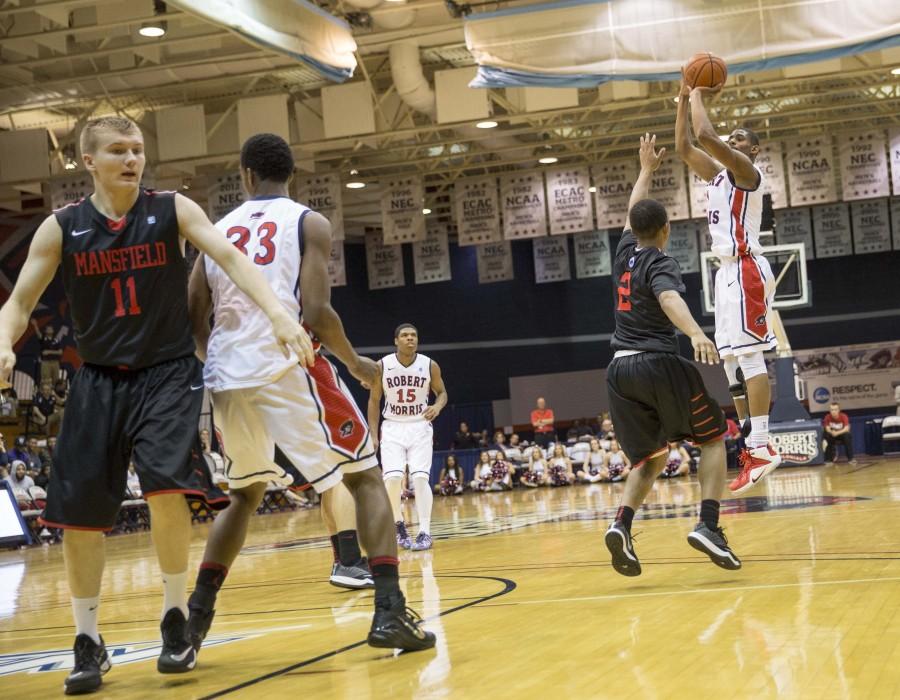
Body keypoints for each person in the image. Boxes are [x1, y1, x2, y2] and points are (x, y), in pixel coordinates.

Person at [0, 115, 314, 695]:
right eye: (117, 150)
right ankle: (88, 639)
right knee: (79, 516)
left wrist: (277, 313)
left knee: (169, 488)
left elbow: (233, 259)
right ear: (87, 161)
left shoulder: (172, 209)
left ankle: (175, 619)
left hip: (167, 373)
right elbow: (19, 303)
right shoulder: (61, 228)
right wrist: (2, 340)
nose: (131, 158)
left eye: (138, 149)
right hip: (96, 380)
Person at [186, 133, 433, 651]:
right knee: (366, 478)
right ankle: (389, 610)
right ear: (290, 174)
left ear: (245, 174)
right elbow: (317, 314)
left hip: (227, 378)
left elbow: (194, 308)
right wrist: (356, 362)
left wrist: (215, 357)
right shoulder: (308, 222)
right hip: (285, 363)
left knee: (244, 494)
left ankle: (193, 623)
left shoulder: (215, 229)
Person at [604, 134, 741, 578]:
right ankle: (708, 524)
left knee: (651, 458)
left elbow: (633, 213)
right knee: (713, 438)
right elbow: (668, 300)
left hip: (619, 370)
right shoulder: (660, 261)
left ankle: (621, 524)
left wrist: (645, 169)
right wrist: (697, 334)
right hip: (657, 363)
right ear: (665, 230)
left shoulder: (624, 254)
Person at [675, 76, 781, 495]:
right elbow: (686, 146)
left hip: (747, 268)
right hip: (726, 274)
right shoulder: (719, 177)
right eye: (730, 136)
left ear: (752, 150)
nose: (730, 140)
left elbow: (704, 133)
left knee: (751, 359)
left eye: (739, 138)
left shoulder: (746, 172)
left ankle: (761, 445)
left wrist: (698, 88)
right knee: (733, 364)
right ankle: (753, 444)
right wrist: (683, 100)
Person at [368, 324, 448, 552]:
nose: (410, 339)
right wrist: (373, 434)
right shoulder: (382, 366)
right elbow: (374, 400)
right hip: (392, 427)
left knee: (421, 479)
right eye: (405, 335)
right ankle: (398, 525)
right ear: (396, 340)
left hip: (420, 426)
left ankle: (425, 531)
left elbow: (442, 392)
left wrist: (437, 406)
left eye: (413, 335)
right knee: (391, 480)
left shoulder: (429, 365)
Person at [30, 320, 64, 385]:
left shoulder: (56, 340)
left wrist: (49, 352)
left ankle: (54, 394)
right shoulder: (43, 339)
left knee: (56, 380)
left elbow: (60, 352)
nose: (49, 330)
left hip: (55, 362)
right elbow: (38, 334)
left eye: (50, 329)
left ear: (53, 331)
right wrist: (35, 325)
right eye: (48, 329)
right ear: (45, 331)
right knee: (45, 380)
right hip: (45, 362)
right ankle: (45, 393)